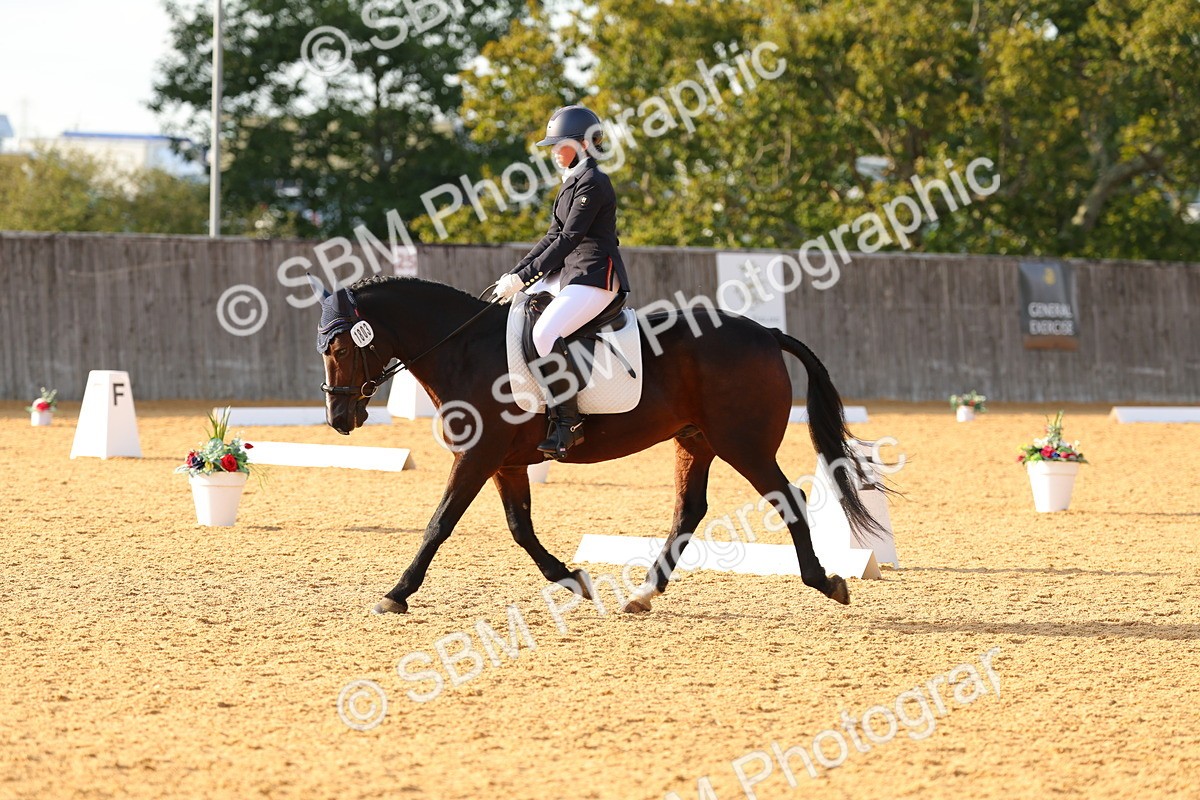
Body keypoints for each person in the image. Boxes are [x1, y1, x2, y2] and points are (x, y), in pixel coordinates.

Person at [492, 105, 630, 459]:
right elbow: (551, 236)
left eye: (559, 145)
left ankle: (569, 423)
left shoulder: (594, 182)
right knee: (518, 316)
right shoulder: (570, 183)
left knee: (544, 334)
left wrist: (525, 277)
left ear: (583, 144)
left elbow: (569, 238)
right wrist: (515, 274)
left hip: (595, 276)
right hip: (568, 275)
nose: (554, 153)